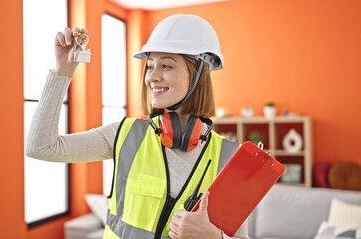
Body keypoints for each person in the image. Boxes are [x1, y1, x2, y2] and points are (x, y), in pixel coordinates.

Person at [26, 14, 249, 239]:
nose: (152, 77)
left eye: (166, 65)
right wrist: (63, 71)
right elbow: (40, 147)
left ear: (199, 74)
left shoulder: (230, 159)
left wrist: (214, 237)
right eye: (149, 66)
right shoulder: (125, 134)